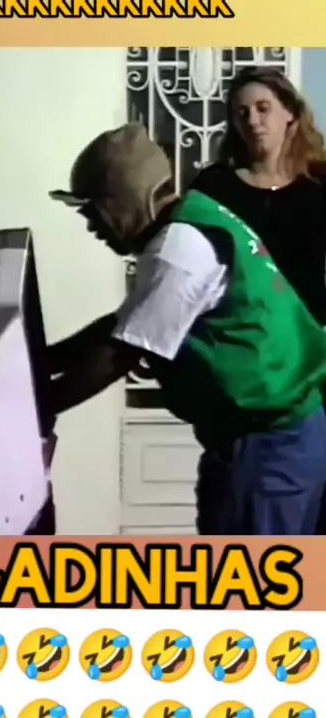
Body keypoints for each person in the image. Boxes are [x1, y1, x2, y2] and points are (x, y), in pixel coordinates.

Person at [48, 121, 326, 535]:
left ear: (124, 201)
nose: (92, 227)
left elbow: (120, 354)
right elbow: (122, 326)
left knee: (249, 574)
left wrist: (35, 408)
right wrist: (41, 359)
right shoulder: (193, 222)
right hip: (286, 437)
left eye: (93, 212)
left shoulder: (179, 251)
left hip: (266, 448)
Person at [189, 65, 326, 531]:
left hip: (310, 365)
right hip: (248, 370)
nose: (253, 120)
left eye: (264, 108)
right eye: (241, 112)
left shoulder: (318, 188)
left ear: (291, 115)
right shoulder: (215, 189)